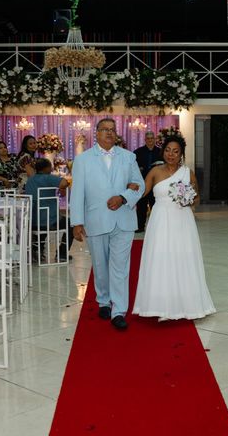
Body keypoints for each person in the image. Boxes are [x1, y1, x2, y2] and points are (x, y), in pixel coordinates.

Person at [70, 118, 144, 331]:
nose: (109, 133)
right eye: (105, 130)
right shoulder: (83, 160)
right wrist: (77, 222)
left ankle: (118, 311)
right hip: (96, 219)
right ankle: (103, 300)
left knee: (120, 267)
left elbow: (139, 186)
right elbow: (77, 193)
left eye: (112, 130)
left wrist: (123, 196)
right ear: (97, 133)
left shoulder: (128, 157)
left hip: (124, 219)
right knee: (100, 265)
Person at [132, 135, 216, 321]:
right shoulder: (155, 172)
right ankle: (158, 304)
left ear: (181, 154)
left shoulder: (188, 173)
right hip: (160, 219)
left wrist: (189, 201)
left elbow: (197, 198)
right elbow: (141, 192)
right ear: (163, 152)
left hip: (182, 220)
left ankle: (186, 304)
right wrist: (126, 194)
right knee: (160, 257)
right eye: (168, 150)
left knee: (182, 257)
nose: (171, 154)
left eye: (175, 151)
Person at [26, 158, 72, 261]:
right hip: (49, 220)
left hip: (33, 219)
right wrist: (62, 187)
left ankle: (38, 250)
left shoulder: (30, 180)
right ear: (46, 168)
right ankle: (62, 254)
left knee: (44, 217)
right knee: (71, 224)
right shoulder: (48, 178)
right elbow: (64, 183)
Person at [133, 131, 162, 232]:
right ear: (145, 140)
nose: (150, 140)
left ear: (154, 139)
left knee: (156, 206)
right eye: (148, 139)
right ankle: (140, 226)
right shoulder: (137, 152)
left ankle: (156, 226)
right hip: (142, 183)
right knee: (141, 206)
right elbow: (132, 167)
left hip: (156, 184)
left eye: (152, 138)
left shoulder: (161, 152)